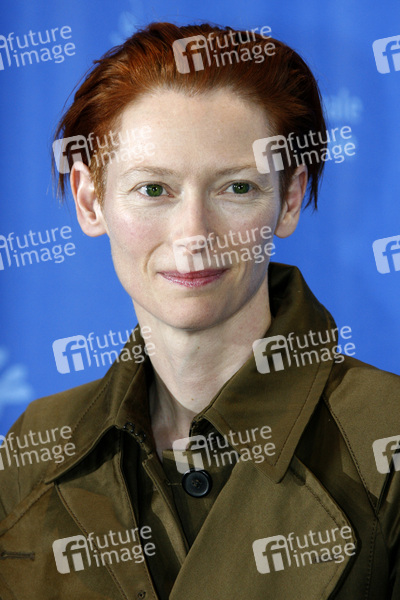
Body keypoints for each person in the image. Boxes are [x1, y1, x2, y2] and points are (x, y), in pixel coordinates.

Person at [0, 21, 399, 600]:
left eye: (236, 188)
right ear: (90, 200)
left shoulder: (386, 436)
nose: (194, 236)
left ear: (289, 199)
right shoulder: (36, 444)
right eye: (153, 189)